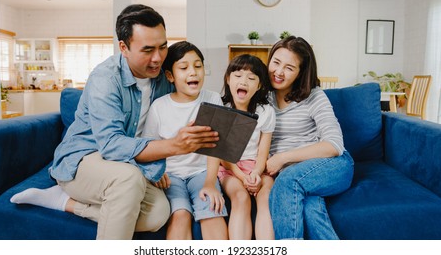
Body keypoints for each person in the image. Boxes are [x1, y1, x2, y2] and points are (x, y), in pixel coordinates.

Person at [10, 4, 219, 240]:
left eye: (163, 46)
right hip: (85, 159)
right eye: (148, 50)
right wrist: (172, 146)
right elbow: (111, 145)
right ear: (124, 47)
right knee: (127, 180)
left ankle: (63, 201)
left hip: (130, 164)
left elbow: (190, 92)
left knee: (159, 213)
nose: (158, 58)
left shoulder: (162, 76)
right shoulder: (105, 79)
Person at [266, 36, 354, 240]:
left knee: (288, 180)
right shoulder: (262, 97)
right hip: (300, 177)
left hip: (333, 165)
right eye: (276, 62)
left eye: (289, 67)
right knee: (310, 208)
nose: (278, 72)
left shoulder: (314, 96)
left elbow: (334, 145)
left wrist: (282, 158)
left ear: (300, 72)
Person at [142, 41, 228, 240]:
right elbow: (149, 145)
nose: (193, 72)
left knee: (212, 210)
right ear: (170, 76)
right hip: (171, 176)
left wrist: (209, 183)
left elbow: (216, 146)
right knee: (180, 215)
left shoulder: (213, 98)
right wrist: (157, 171)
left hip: (202, 173)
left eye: (198, 66)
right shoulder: (159, 106)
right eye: (184, 67)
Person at [217, 54, 275, 240]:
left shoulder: (266, 112)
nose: (244, 81)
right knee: (241, 198)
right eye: (238, 76)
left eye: (251, 78)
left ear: (259, 86)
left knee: (266, 196)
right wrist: (242, 177)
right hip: (229, 166)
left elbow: (262, 152)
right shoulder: (221, 107)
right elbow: (222, 156)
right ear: (228, 79)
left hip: (255, 167)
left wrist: (256, 173)